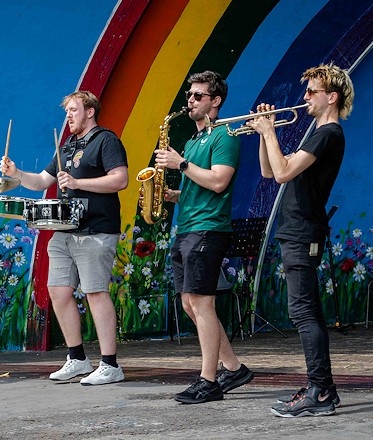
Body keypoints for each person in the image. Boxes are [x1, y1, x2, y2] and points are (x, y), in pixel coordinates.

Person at [246, 63, 354, 417]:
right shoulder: (317, 134)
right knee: (307, 311)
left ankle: (320, 391)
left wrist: (270, 133)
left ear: (332, 97)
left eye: (311, 92)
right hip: (296, 229)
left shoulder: (328, 133)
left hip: (303, 230)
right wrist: (266, 134)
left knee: (303, 312)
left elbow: (283, 173)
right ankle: (323, 389)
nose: (304, 97)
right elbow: (268, 170)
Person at [0, 91, 128, 385]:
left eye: (73, 110)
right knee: (58, 292)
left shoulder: (106, 141)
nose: (68, 116)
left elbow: (120, 179)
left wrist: (78, 182)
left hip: (96, 230)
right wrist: (17, 173)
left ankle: (110, 364)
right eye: (67, 111)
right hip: (64, 231)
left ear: (90, 112)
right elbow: (42, 182)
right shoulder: (67, 145)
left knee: (95, 292)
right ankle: (77, 358)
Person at [154, 71, 254, 404]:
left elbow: (218, 182)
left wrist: (180, 164)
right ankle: (234, 368)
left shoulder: (224, 135)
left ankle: (208, 380)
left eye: (198, 96)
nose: (191, 101)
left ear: (215, 101)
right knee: (189, 304)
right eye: (190, 95)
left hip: (208, 229)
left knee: (202, 303)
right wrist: (173, 195)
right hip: (187, 227)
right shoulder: (193, 141)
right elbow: (199, 186)